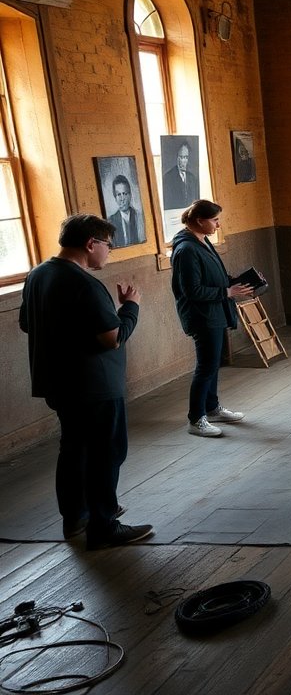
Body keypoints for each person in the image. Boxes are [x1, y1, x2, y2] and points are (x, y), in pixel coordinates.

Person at [19, 214, 153, 550]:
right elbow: (112, 338)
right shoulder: (84, 283)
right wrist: (131, 307)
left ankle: (76, 517)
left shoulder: (39, 274)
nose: (110, 252)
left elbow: (26, 322)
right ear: (90, 244)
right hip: (94, 385)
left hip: (58, 382)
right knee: (106, 453)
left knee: (74, 449)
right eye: (108, 245)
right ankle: (104, 524)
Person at [171, 200, 254, 438]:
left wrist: (232, 281)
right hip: (202, 316)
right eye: (215, 220)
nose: (218, 225)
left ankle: (212, 407)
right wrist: (227, 292)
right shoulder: (186, 249)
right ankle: (196, 419)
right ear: (199, 220)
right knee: (205, 366)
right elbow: (192, 290)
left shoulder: (202, 239)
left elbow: (212, 273)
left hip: (215, 313)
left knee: (213, 363)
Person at [108, 175, 144, 247]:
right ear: (115, 198)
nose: (122, 199)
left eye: (124, 193)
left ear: (130, 195)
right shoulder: (110, 221)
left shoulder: (139, 217)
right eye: (118, 194)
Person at [162, 140, 200, 209]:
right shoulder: (168, 178)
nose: (183, 161)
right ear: (177, 157)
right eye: (181, 157)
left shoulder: (192, 178)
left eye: (186, 157)